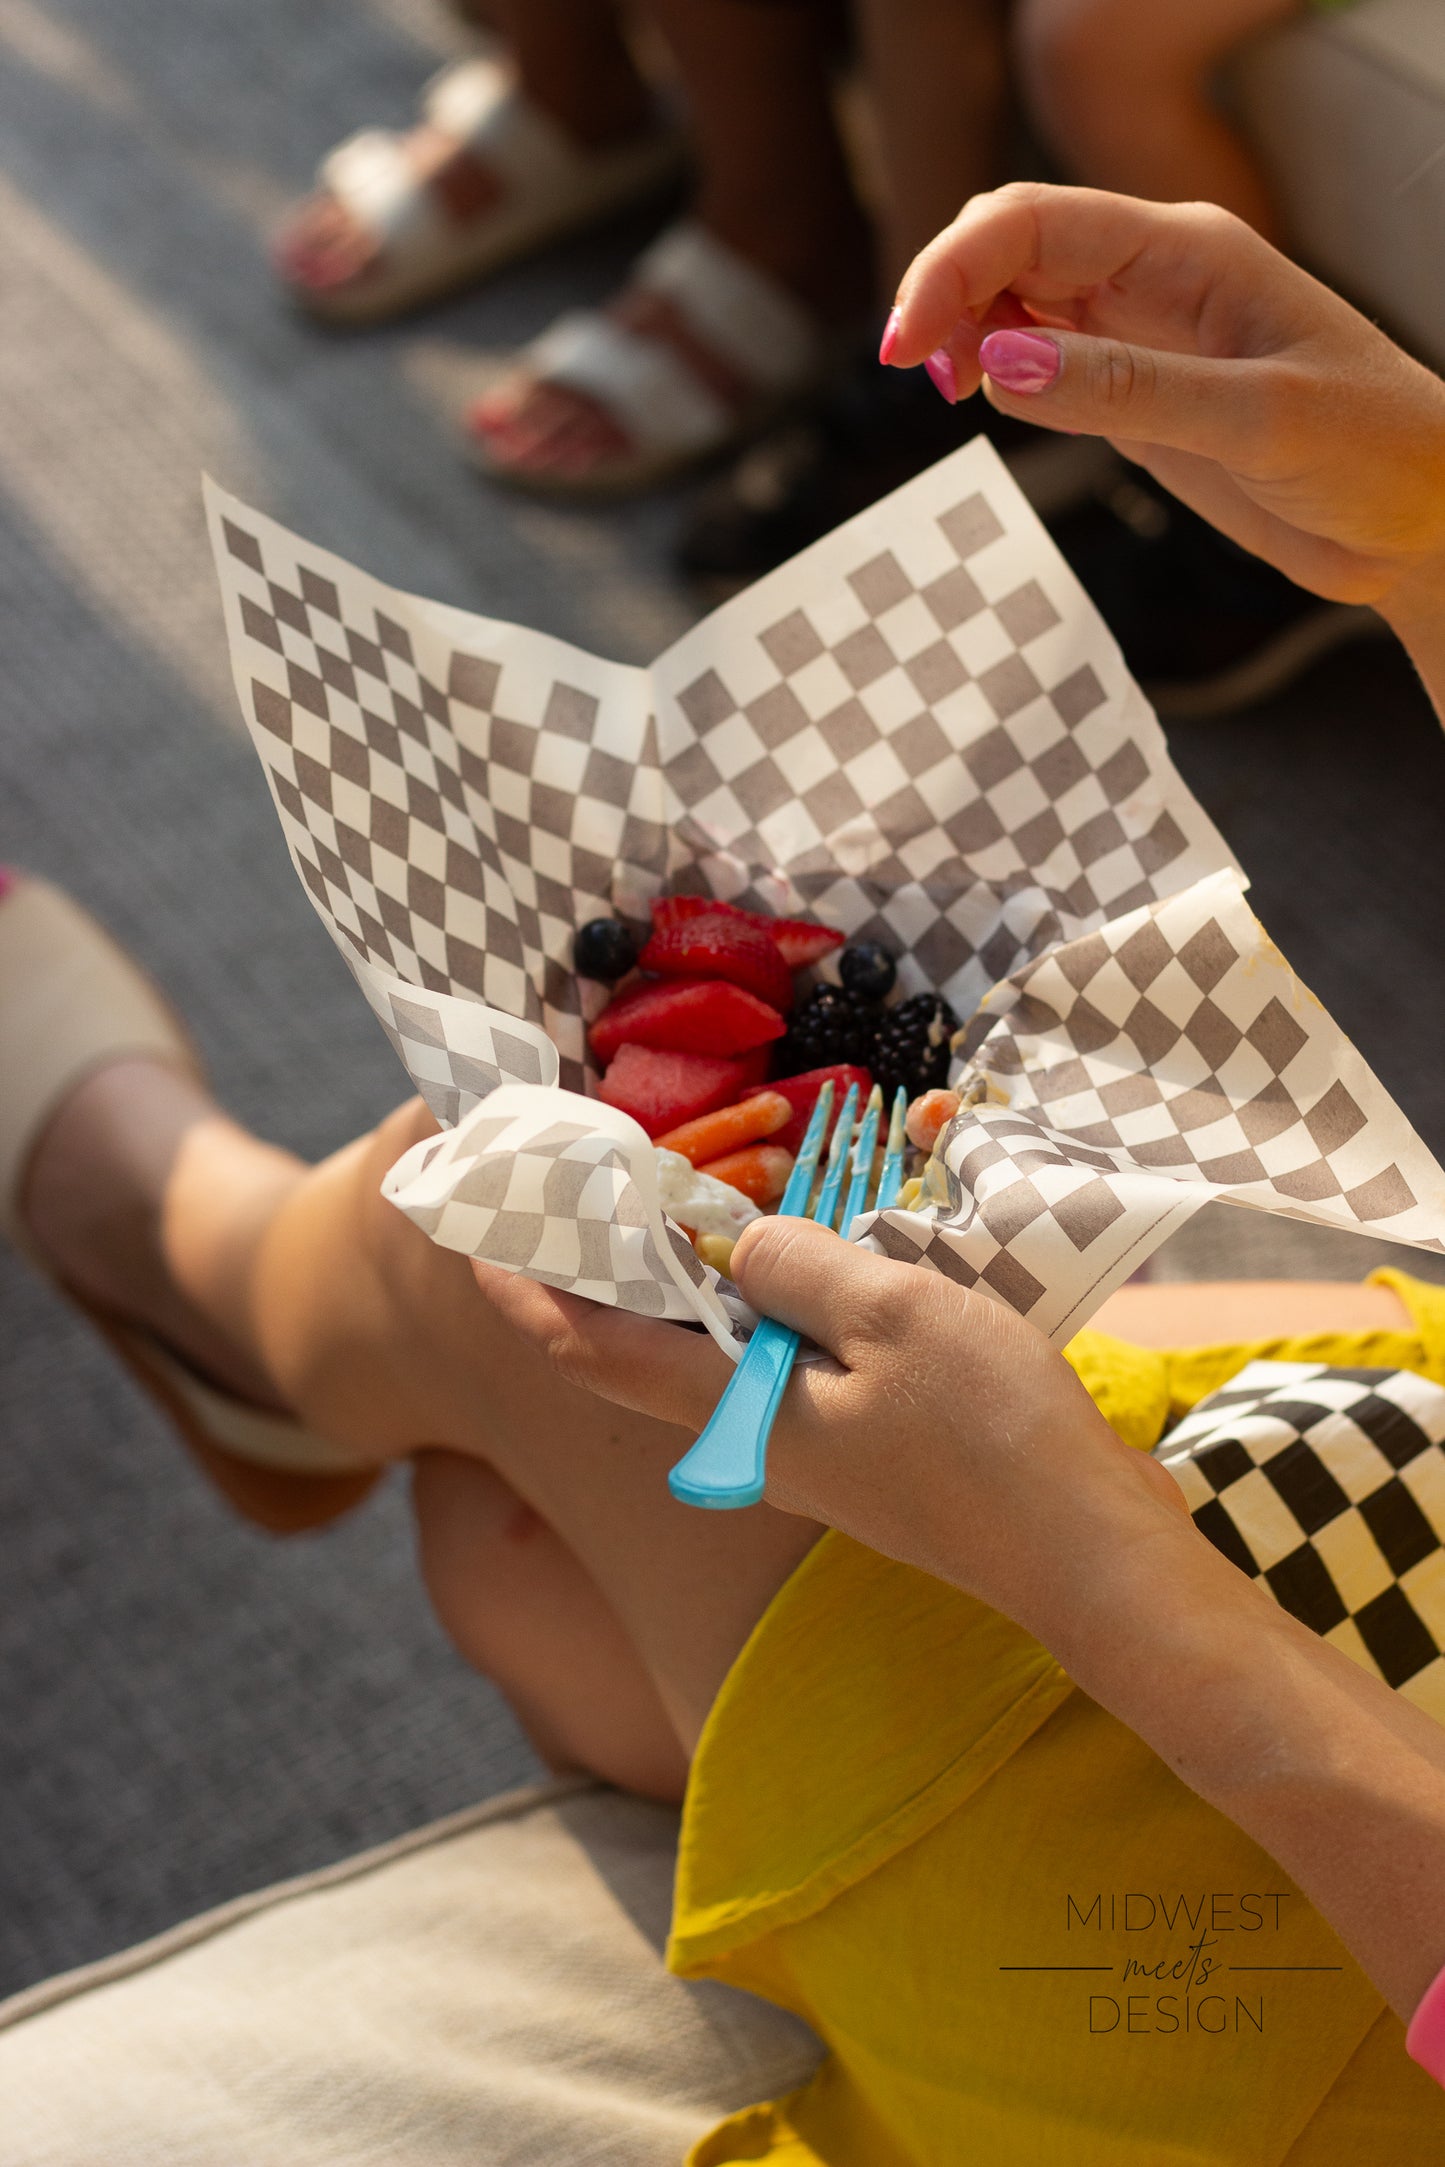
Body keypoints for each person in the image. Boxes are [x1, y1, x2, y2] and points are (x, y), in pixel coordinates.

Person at [6, 184, 1445, 2159]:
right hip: (1392, 1521)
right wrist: (1432, 543)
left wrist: (1076, 1555)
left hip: (1286, 1939)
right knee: (515, 1538)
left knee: (512, 1222)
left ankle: (187, 1262)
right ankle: (272, 1340)